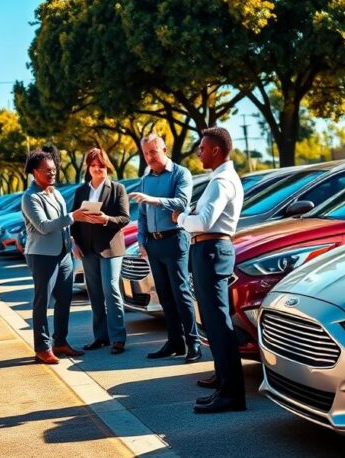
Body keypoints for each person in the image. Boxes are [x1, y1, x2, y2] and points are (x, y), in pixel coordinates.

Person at [174, 127, 246, 413]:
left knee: (219, 325)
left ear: (216, 150)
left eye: (202, 148)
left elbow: (204, 222)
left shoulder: (221, 182)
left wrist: (180, 218)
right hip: (208, 250)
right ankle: (223, 387)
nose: (199, 152)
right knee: (214, 323)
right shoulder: (220, 179)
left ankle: (231, 396)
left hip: (212, 250)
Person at [127, 134, 200, 363]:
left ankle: (193, 344)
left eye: (153, 151)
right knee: (164, 296)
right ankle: (175, 342)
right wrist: (141, 239)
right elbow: (141, 214)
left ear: (164, 149)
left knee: (181, 293)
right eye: (146, 153)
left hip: (175, 239)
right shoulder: (146, 178)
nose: (149, 157)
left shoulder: (181, 173)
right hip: (153, 243)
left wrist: (153, 199)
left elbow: (182, 203)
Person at [22, 149, 95, 364]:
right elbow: (44, 226)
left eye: (54, 170)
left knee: (65, 299)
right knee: (42, 301)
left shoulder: (54, 192)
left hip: (63, 254)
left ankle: (60, 342)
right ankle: (42, 348)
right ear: (35, 172)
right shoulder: (30, 197)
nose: (52, 173)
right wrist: (74, 216)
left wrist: (73, 242)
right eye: (47, 171)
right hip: (42, 255)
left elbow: (63, 224)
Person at [70, 148, 131, 354]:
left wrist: (107, 220)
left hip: (111, 249)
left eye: (102, 165)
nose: (98, 169)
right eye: (94, 165)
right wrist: (75, 243)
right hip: (87, 249)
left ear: (107, 167)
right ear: (88, 167)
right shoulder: (81, 191)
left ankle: (118, 338)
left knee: (111, 289)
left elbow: (124, 218)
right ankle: (101, 337)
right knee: (95, 294)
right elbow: (75, 221)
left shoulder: (117, 189)